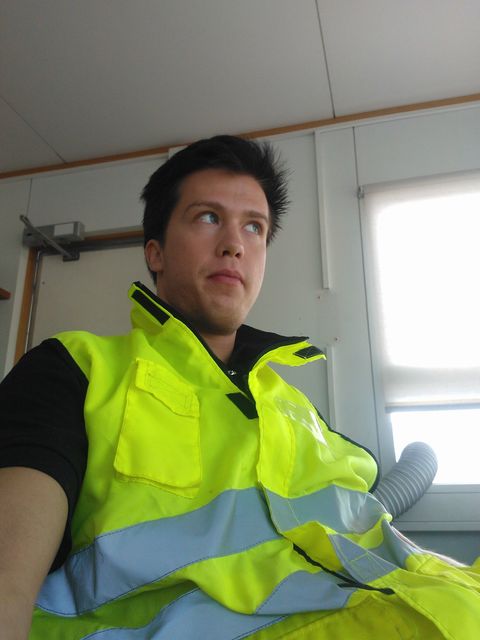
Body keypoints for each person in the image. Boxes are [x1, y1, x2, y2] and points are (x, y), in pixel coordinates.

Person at [0, 135, 479, 640]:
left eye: (255, 227)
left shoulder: (294, 406)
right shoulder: (76, 368)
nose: (235, 244)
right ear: (155, 252)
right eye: (208, 217)